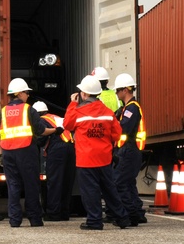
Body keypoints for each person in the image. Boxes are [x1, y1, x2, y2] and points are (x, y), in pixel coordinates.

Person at [63, 75, 129, 230]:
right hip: (105, 158)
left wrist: (73, 103)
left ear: (84, 94)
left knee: (90, 191)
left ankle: (94, 221)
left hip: (86, 159)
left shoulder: (78, 111)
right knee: (109, 189)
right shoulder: (107, 112)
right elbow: (117, 134)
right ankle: (122, 217)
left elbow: (67, 124)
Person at [0, 78, 56, 228]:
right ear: (20, 93)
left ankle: (14, 220)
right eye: (27, 92)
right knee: (31, 185)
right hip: (26, 151)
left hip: (8, 152)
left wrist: (2, 154)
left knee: (13, 186)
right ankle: (35, 219)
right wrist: (55, 130)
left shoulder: (2, 112)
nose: (28, 95)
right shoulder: (29, 110)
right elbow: (40, 131)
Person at [113, 73, 148, 225]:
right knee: (128, 183)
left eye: (117, 90)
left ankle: (130, 215)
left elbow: (124, 128)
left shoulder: (132, 108)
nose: (116, 93)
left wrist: (113, 123)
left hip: (129, 150)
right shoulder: (128, 108)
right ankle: (138, 213)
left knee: (119, 182)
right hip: (130, 150)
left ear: (125, 90)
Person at [34, 101, 75, 221]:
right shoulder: (56, 117)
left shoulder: (41, 120)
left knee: (54, 181)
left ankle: (53, 213)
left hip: (58, 149)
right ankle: (64, 212)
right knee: (67, 181)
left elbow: (41, 138)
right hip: (71, 147)